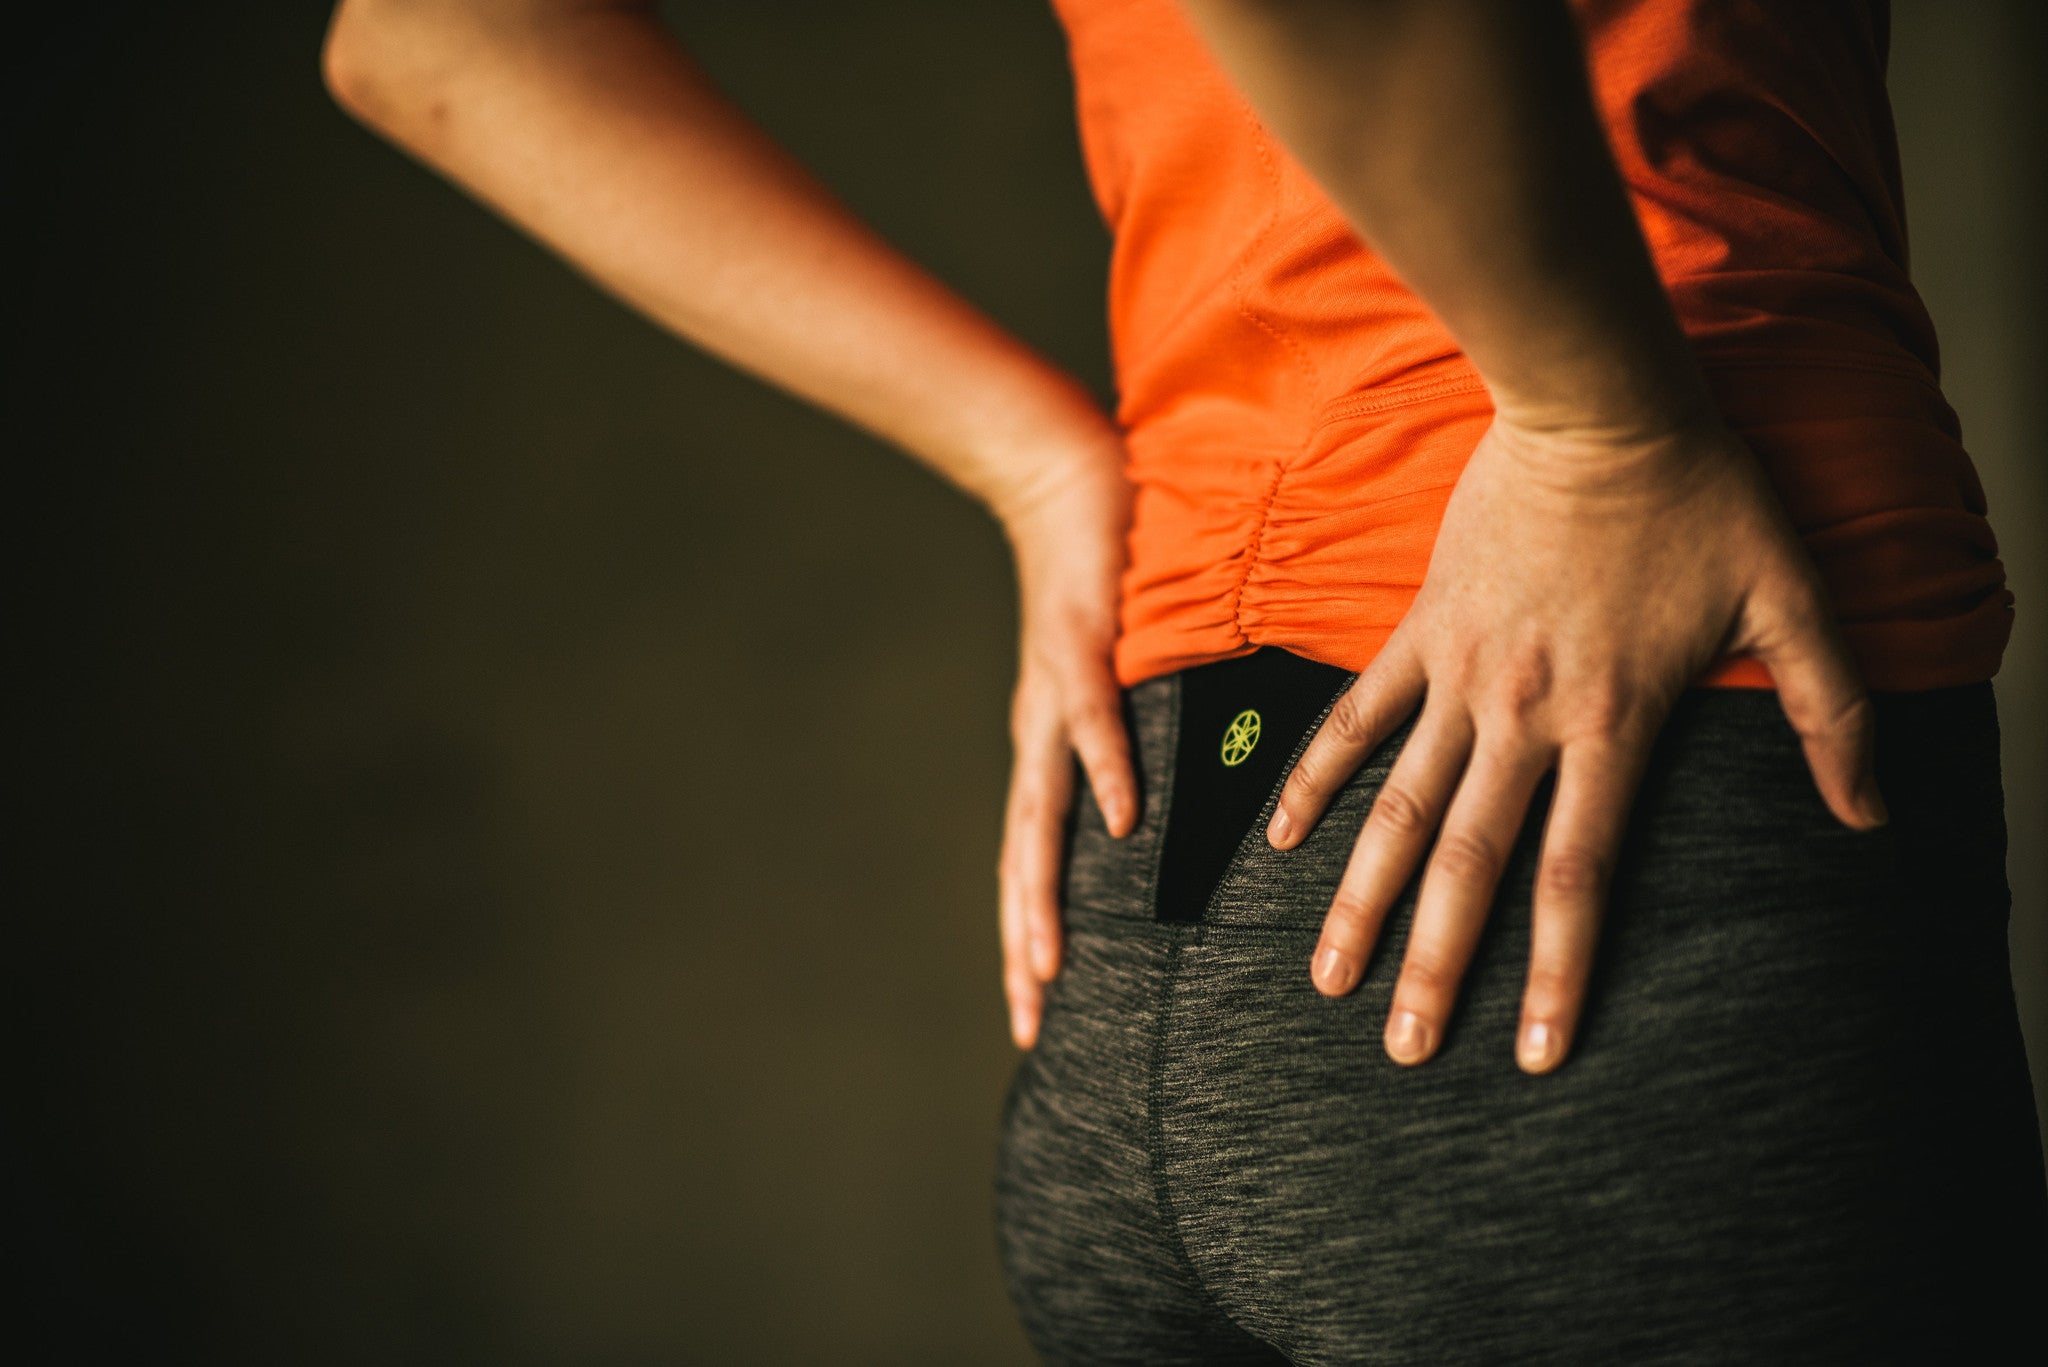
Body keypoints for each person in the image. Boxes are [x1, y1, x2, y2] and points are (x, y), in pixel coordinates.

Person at [323, 0, 2045, 1359]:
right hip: (1608, 750)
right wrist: (1602, 429)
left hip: (1178, 827)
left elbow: (428, 30)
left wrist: (1029, 461)